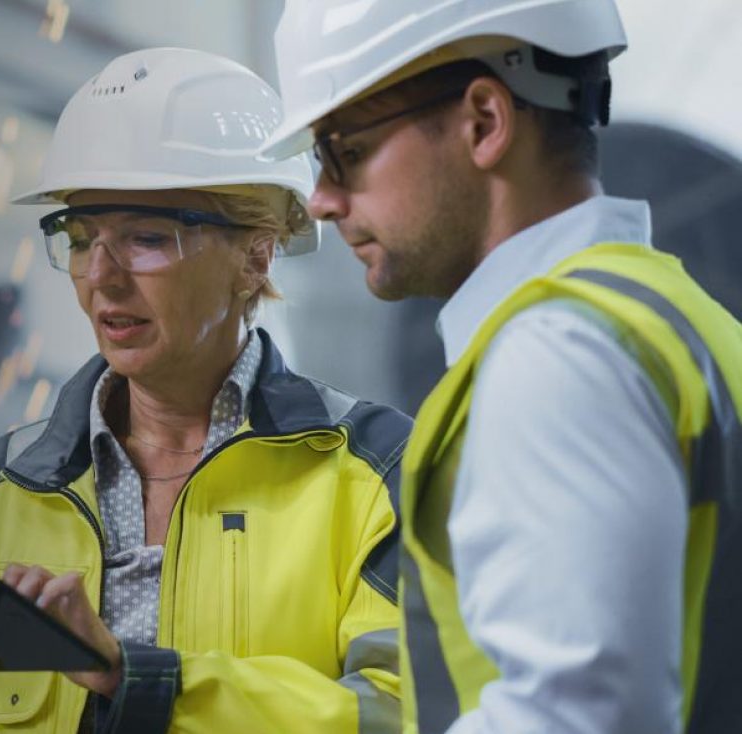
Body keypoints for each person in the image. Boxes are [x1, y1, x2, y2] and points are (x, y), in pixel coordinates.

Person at [0, 48, 411, 734]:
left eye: (146, 239)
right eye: (82, 238)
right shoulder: (7, 487)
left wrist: (139, 680)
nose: (103, 277)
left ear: (256, 256)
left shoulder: (371, 473)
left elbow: (402, 712)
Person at [260, 1, 742, 732]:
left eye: (346, 152)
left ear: (484, 121)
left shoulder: (554, 358)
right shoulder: (672, 317)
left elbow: (578, 716)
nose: (323, 200)